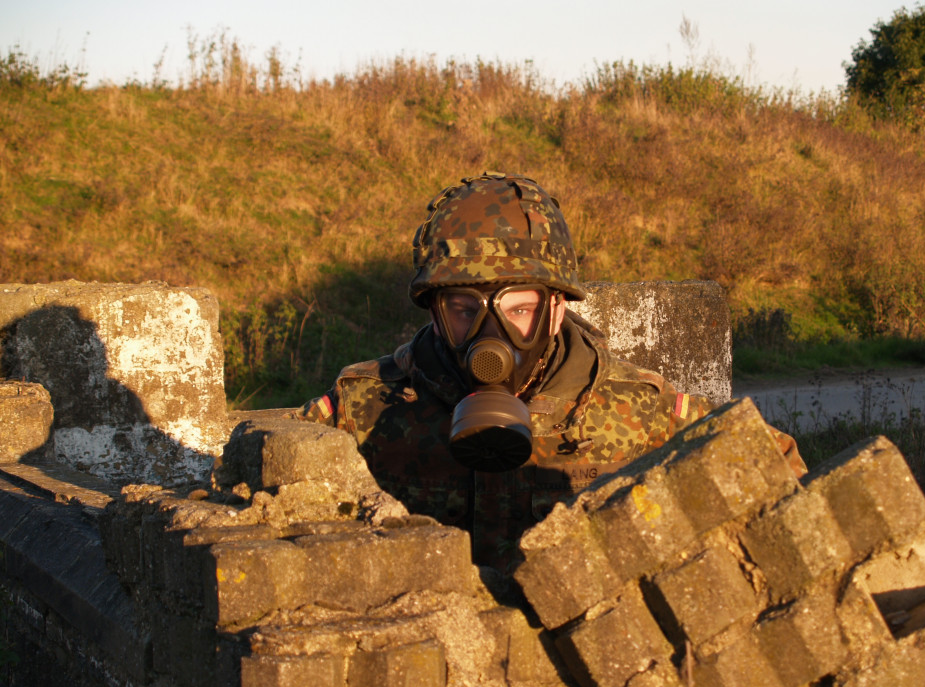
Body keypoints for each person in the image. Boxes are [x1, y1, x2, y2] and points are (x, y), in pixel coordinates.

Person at [296, 172, 805, 570]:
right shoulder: (364, 407)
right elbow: (269, 486)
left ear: (558, 308)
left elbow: (776, 463)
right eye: (464, 309)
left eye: (519, 309)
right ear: (434, 309)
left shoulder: (639, 411)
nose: (490, 338)